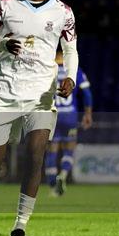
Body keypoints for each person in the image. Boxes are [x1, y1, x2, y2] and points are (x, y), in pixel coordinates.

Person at [0, 0, 78, 236]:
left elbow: (70, 50)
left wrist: (69, 75)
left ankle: (20, 225)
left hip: (41, 95)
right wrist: (3, 44)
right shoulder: (5, 4)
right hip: (5, 93)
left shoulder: (63, 12)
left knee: (36, 156)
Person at [45, 50, 93, 196]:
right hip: (70, 116)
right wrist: (88, 114)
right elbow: (87, 93)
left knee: (51, 151)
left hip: (52, 115)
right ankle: (63, 176)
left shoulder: (47, 70)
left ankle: (53, 186)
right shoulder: (75, 71)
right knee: (69, 149)